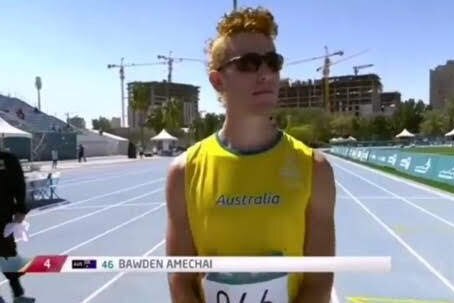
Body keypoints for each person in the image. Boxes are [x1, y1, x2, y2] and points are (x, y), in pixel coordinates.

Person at [165, 6, 336, 303]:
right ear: (218, 81)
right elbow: (181, 279)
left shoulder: (315, 168)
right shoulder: (184, 172)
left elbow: (319, 280)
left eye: (272, 62)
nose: (266, 74)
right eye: (248, 64)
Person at [0, 151, 35, 303]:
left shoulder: (8, 159)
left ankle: (18, 295)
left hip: (2, 218)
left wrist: (21, 209)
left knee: (8, 256)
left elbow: (19, 185)